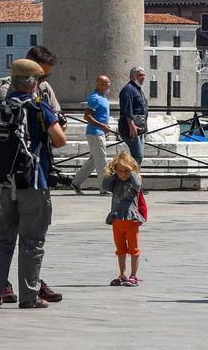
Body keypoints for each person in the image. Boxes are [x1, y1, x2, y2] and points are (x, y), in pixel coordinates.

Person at [0, 58, 68, 308]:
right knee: (32, 241)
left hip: (2, 183)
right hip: (33, 181)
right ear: (33, 84)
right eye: (40, 81)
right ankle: (29, 296)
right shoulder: (39, 108)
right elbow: (60, 140)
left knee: (2, 239)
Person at [102, 150, 144, 287]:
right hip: (117, 219)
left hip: (131, 219)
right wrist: (113, 173)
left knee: (133, 249)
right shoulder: (115, 181)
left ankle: (134, 275)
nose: (123, 174)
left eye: (126, 170)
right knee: (120, 249)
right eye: (120, 170)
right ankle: (122, 274)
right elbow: (105, 186)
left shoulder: (134, 180)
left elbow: (137, 184)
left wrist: (131, 171)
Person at [72, 75, 113, 194]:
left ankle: (75, 182)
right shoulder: (95, 98)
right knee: (101, 160)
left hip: (98, 132)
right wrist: (103, 126)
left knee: (93, 161)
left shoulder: (102, 96)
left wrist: (104, 127)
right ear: (101, 85)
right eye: (107, 84)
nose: (109, 86)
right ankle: (104, 188)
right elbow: (87, 116)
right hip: (95, 133)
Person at [118, 67, 149, 165]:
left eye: (144, 75)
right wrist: (131, 126)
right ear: (133, 76)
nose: (143, 77)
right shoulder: (128, 89)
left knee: (137, 157)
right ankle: (128, 178)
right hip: (131, 129)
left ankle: (130, 177)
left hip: (139, 129)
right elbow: (127, 109)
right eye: (140, 75)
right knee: (137, 156)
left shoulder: (138, 89)